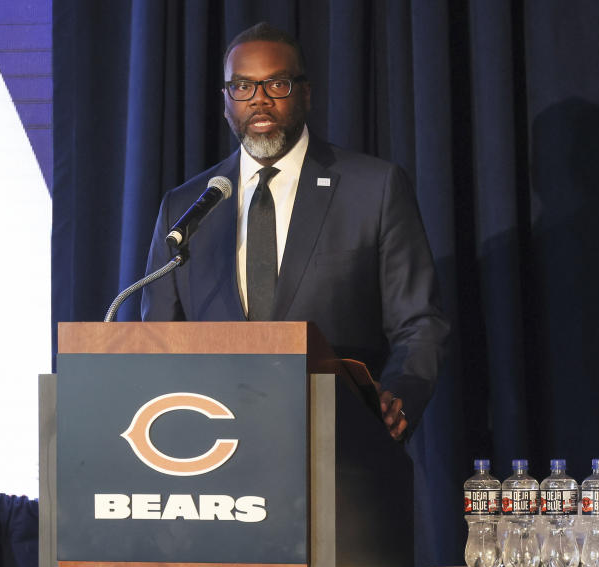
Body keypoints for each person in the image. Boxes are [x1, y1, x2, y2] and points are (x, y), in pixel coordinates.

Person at [141, 23, 448, 441]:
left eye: (277, 85)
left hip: (341, 443)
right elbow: (159, 337)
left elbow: (418, 322)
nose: (259, 101)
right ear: (226, 101)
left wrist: (396, 397)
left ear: (306, 93)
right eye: (243, 87)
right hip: (212, 448)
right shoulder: (188, 206)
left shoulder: (373, 188)